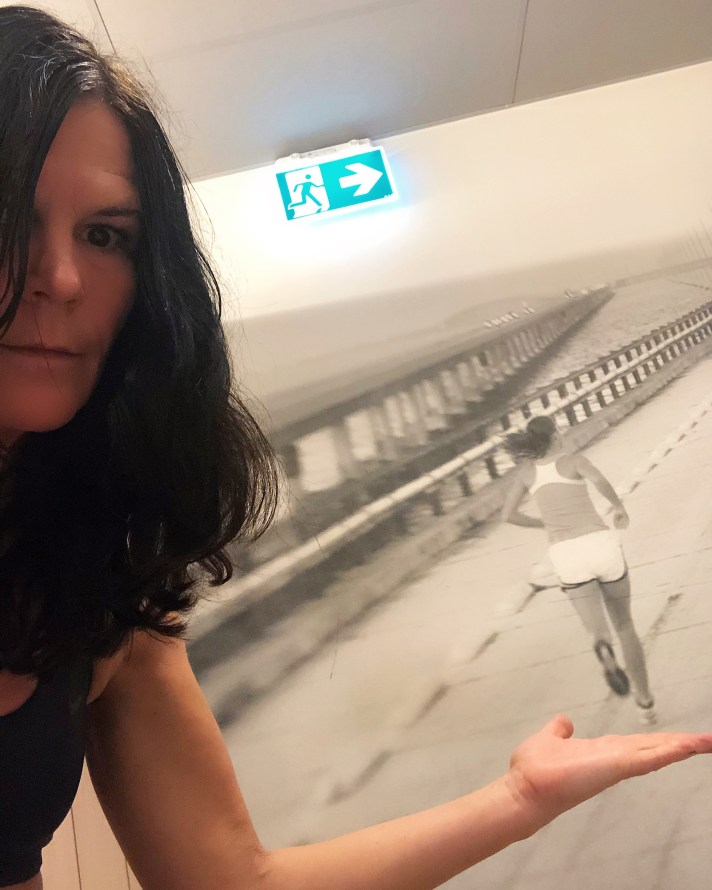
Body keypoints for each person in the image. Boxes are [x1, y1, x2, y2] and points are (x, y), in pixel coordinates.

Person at [0, 7, 710, 889]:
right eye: (9, 220)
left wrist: (519, 799)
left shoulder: (100, 584)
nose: (63, 277)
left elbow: (234, 880)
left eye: (106, 235)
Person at [502, 415, 656, 724]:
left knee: (598, 629)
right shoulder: (573, 460)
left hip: (566, 554)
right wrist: (619, 507)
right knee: (624, 625)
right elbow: (599, 482)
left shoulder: (527, 473)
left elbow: (508, 515)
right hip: (599, 544)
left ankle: (602, 646)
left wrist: (544, 523)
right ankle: (645, 703)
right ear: (554, 437)